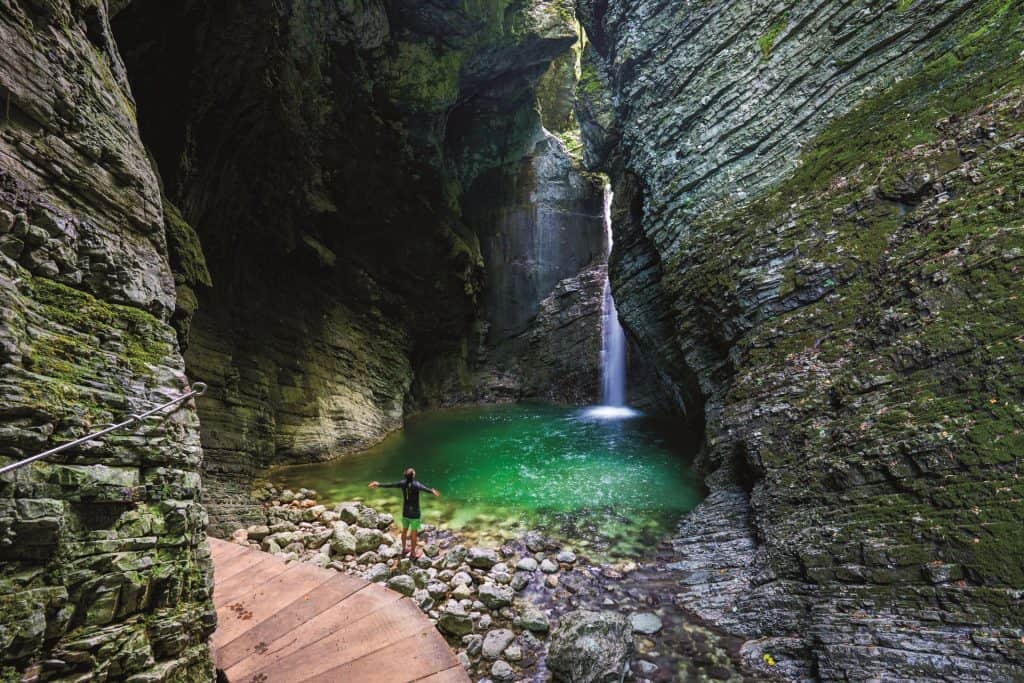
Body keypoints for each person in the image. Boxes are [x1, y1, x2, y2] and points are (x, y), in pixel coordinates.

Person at [368, 468, 439, 558]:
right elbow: (425, 489)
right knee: (414, 533)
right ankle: (413, 553)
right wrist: (432, 491)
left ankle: (404, 549)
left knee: (405, 531)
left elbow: (391, 485)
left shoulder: (402, 483)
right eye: (413, 471)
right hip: (415, 513)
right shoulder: (416, 484)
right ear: (413, 475)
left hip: (405, 512)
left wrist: (378, 484)